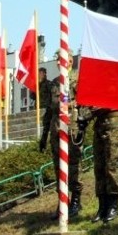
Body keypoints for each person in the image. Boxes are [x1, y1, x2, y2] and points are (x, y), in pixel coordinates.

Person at [38, 67, 85, 220]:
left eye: (63, 59)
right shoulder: (54, 84)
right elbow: (49, 112)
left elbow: (83, 101)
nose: (60, 62)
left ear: (70, 61)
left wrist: (70, 107)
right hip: (56, 131)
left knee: (74, 165)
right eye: (57, 60)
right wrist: (44, 137)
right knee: (58, 168)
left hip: (71, 129)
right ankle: (63, 201)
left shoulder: (76, 80)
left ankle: (76, 200)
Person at [89, 107, 118, 222]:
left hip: (113, 124)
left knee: (112, 165)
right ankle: (102, 206)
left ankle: (113, 206)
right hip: (100, 125)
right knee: (99, 167)